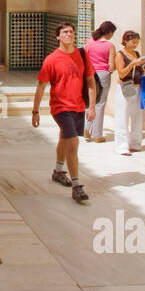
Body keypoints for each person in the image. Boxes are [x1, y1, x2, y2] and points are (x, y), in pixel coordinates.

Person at [32, 22, 97, 203]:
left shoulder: (82, 55)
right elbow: (41, 86)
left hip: (78, 106)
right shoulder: (51, 60)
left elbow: (91, 82)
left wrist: (92, 107)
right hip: (60, 107)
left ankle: (58, 171)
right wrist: (35, 110)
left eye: (71, 32)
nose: (69, 35)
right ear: (58, 37)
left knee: (64, 138)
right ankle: (77, 186)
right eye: (65, 32)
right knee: (73, 143)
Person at [114, 30, 145, 155]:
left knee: (137, 116)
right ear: (125, 41)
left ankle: (135, 143)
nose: (135, 45)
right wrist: (132, 64)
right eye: (133, 42)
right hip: (125, 87)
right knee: (122, 116)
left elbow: (140, 71)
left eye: (137, 42)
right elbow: (121, 73)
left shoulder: (136, 53)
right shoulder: (120, 54)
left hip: (137, 87)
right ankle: (121, 146)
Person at [84, 20, 116, 141]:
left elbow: (85, 57)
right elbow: (111, 66)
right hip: (103, 74)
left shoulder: (90, 42)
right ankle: (97, 134)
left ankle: (87, 127)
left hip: (90, 73)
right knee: (100, 103)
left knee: (91, 102)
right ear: (109, 32)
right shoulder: (110, 45)